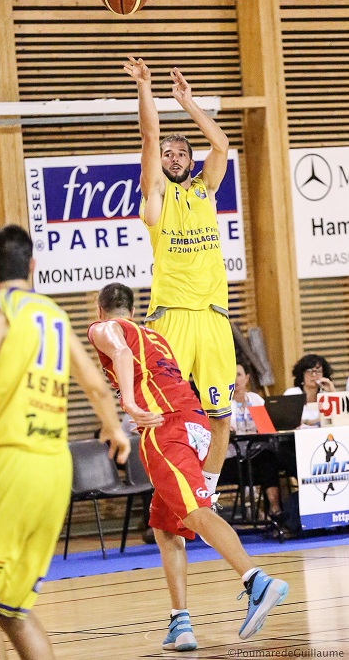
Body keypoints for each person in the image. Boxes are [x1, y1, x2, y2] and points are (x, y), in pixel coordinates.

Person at [0, 224, 162, 660]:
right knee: (11, 607)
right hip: (55, 468)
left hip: (10, 460)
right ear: (33, 266)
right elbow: (97, 386)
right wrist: (115, 430)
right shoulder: (54, 315)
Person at [88, 282, 289, 650]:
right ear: (133, 309)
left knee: (195, 511)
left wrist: (130, 404)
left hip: (165, 428)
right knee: (166, 526)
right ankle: (180, 623)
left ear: (100, 310)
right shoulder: (157, 338)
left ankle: (256, 580)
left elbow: (116, 348)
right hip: (195, 424)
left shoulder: (104, 328)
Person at [123, 56, 236, 505]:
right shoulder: (156, 197)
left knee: (221, 416)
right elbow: (149, 135)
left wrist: (188, 103)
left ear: (191, 161)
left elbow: (223, 143)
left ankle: (204, 493)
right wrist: (146, 87)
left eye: (181, 152)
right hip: (170, 318)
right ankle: (167, 491)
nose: (173, 157)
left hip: (212, 317)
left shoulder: (204, 190)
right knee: (161, 412)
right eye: (168, 154)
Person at [219, 361, 285, 521]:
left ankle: (275, 511)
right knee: (265, 463)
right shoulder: (221, 402)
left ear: (247, 378)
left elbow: (267, 426)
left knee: (268, 459)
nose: (235, 379)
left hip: (256, 457)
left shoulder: (256, 399)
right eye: (231, 375)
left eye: (239, 375)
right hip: (232, 461)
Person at [284, 353, 335, 428]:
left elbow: (339, 419)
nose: (314, 375)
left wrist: (332, 391)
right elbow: (286, 422)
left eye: (318, 371)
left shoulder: (326, 395)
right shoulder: (292, 393)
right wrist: (310, 422)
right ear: (302, 375)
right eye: (309, 371)